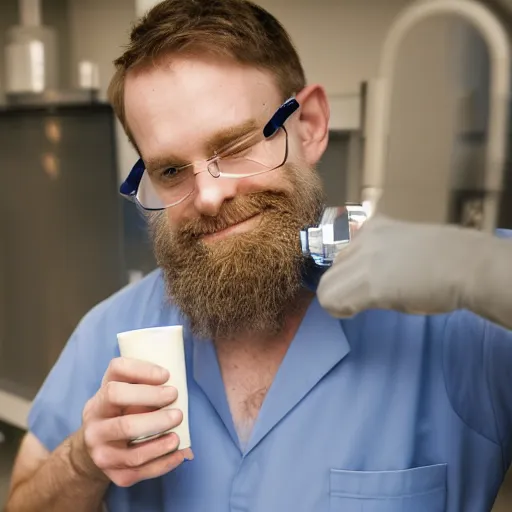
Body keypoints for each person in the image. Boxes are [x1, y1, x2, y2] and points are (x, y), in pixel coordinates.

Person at [5, 1, 512, 511]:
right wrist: (83, 461)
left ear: (309, 125)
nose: (208, 196)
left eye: (236, 145)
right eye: (172, 172)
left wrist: (488, 274)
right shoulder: (112, 331)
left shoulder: (455, 313)